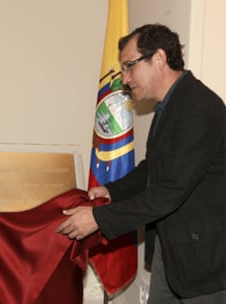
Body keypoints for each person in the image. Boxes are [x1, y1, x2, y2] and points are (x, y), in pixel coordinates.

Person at [57, 24, 225, 303]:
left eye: (129, 66)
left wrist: (98, 218)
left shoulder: (199, 107)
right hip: (170, 249)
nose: (124, 78)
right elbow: (154, 167)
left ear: (159, 58)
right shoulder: (171, 105)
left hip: (203, 262)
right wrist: (114, 190)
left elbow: (170, 190)